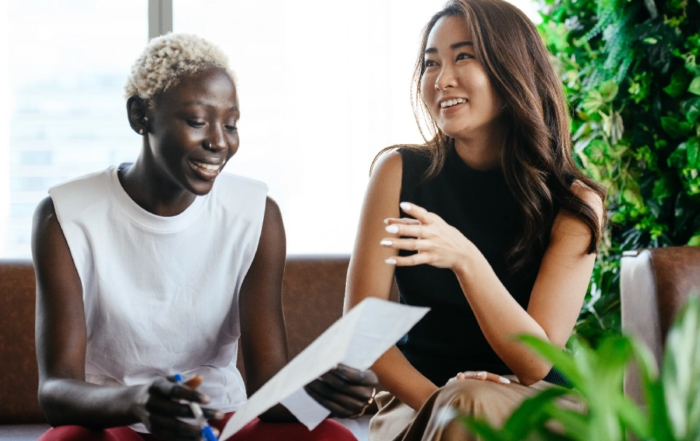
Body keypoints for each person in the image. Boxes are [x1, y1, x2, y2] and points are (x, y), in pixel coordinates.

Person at [32, 33, 376, 441]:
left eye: (230, 124)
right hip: (118, 421)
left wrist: (324, 393)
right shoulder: (65, 216)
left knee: (334, 437)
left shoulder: (257, 215)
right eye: (197, 121)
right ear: (140, 116)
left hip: (220, 423)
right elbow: (56, 392)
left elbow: (269, 384)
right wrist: (138, 400)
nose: (219, 142)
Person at [344, 1, 606, 440]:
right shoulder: (398, 172)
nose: (441, 78)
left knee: (468, 402)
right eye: (431, 63)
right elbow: (362, 332)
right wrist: (445, 404)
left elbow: (535, 361)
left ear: (512, 70)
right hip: (419, 398)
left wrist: (466, 259)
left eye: (463, 56)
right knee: (463, 405)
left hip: (534, 399)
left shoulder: (573, 203)